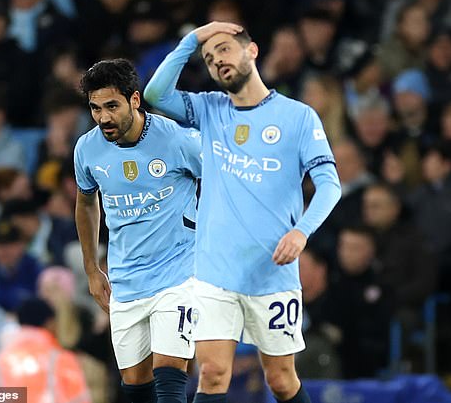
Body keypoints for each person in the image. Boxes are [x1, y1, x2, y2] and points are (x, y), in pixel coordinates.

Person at [144, 22, 341, 403]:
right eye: (209, 58)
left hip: (272, 273)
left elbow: (330, 184)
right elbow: (155, 92)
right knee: (213, 374)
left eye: (224, 50)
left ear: (252, 51)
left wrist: (302, 232)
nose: (217, 60)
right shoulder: (209, 109)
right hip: (214, 271)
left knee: (281, 380)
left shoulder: (298, 117)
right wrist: (194, 39)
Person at [74, 58, 202, 403]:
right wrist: (91, 269)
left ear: (134, 100)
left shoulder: (177, 140)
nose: (103, 117)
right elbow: (86, 203)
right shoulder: (87, 149)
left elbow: (223, 181)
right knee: (135, 388)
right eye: (95, 108)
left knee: (170, 376)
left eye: (111, 106)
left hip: (180, 273)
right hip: (126, 279)